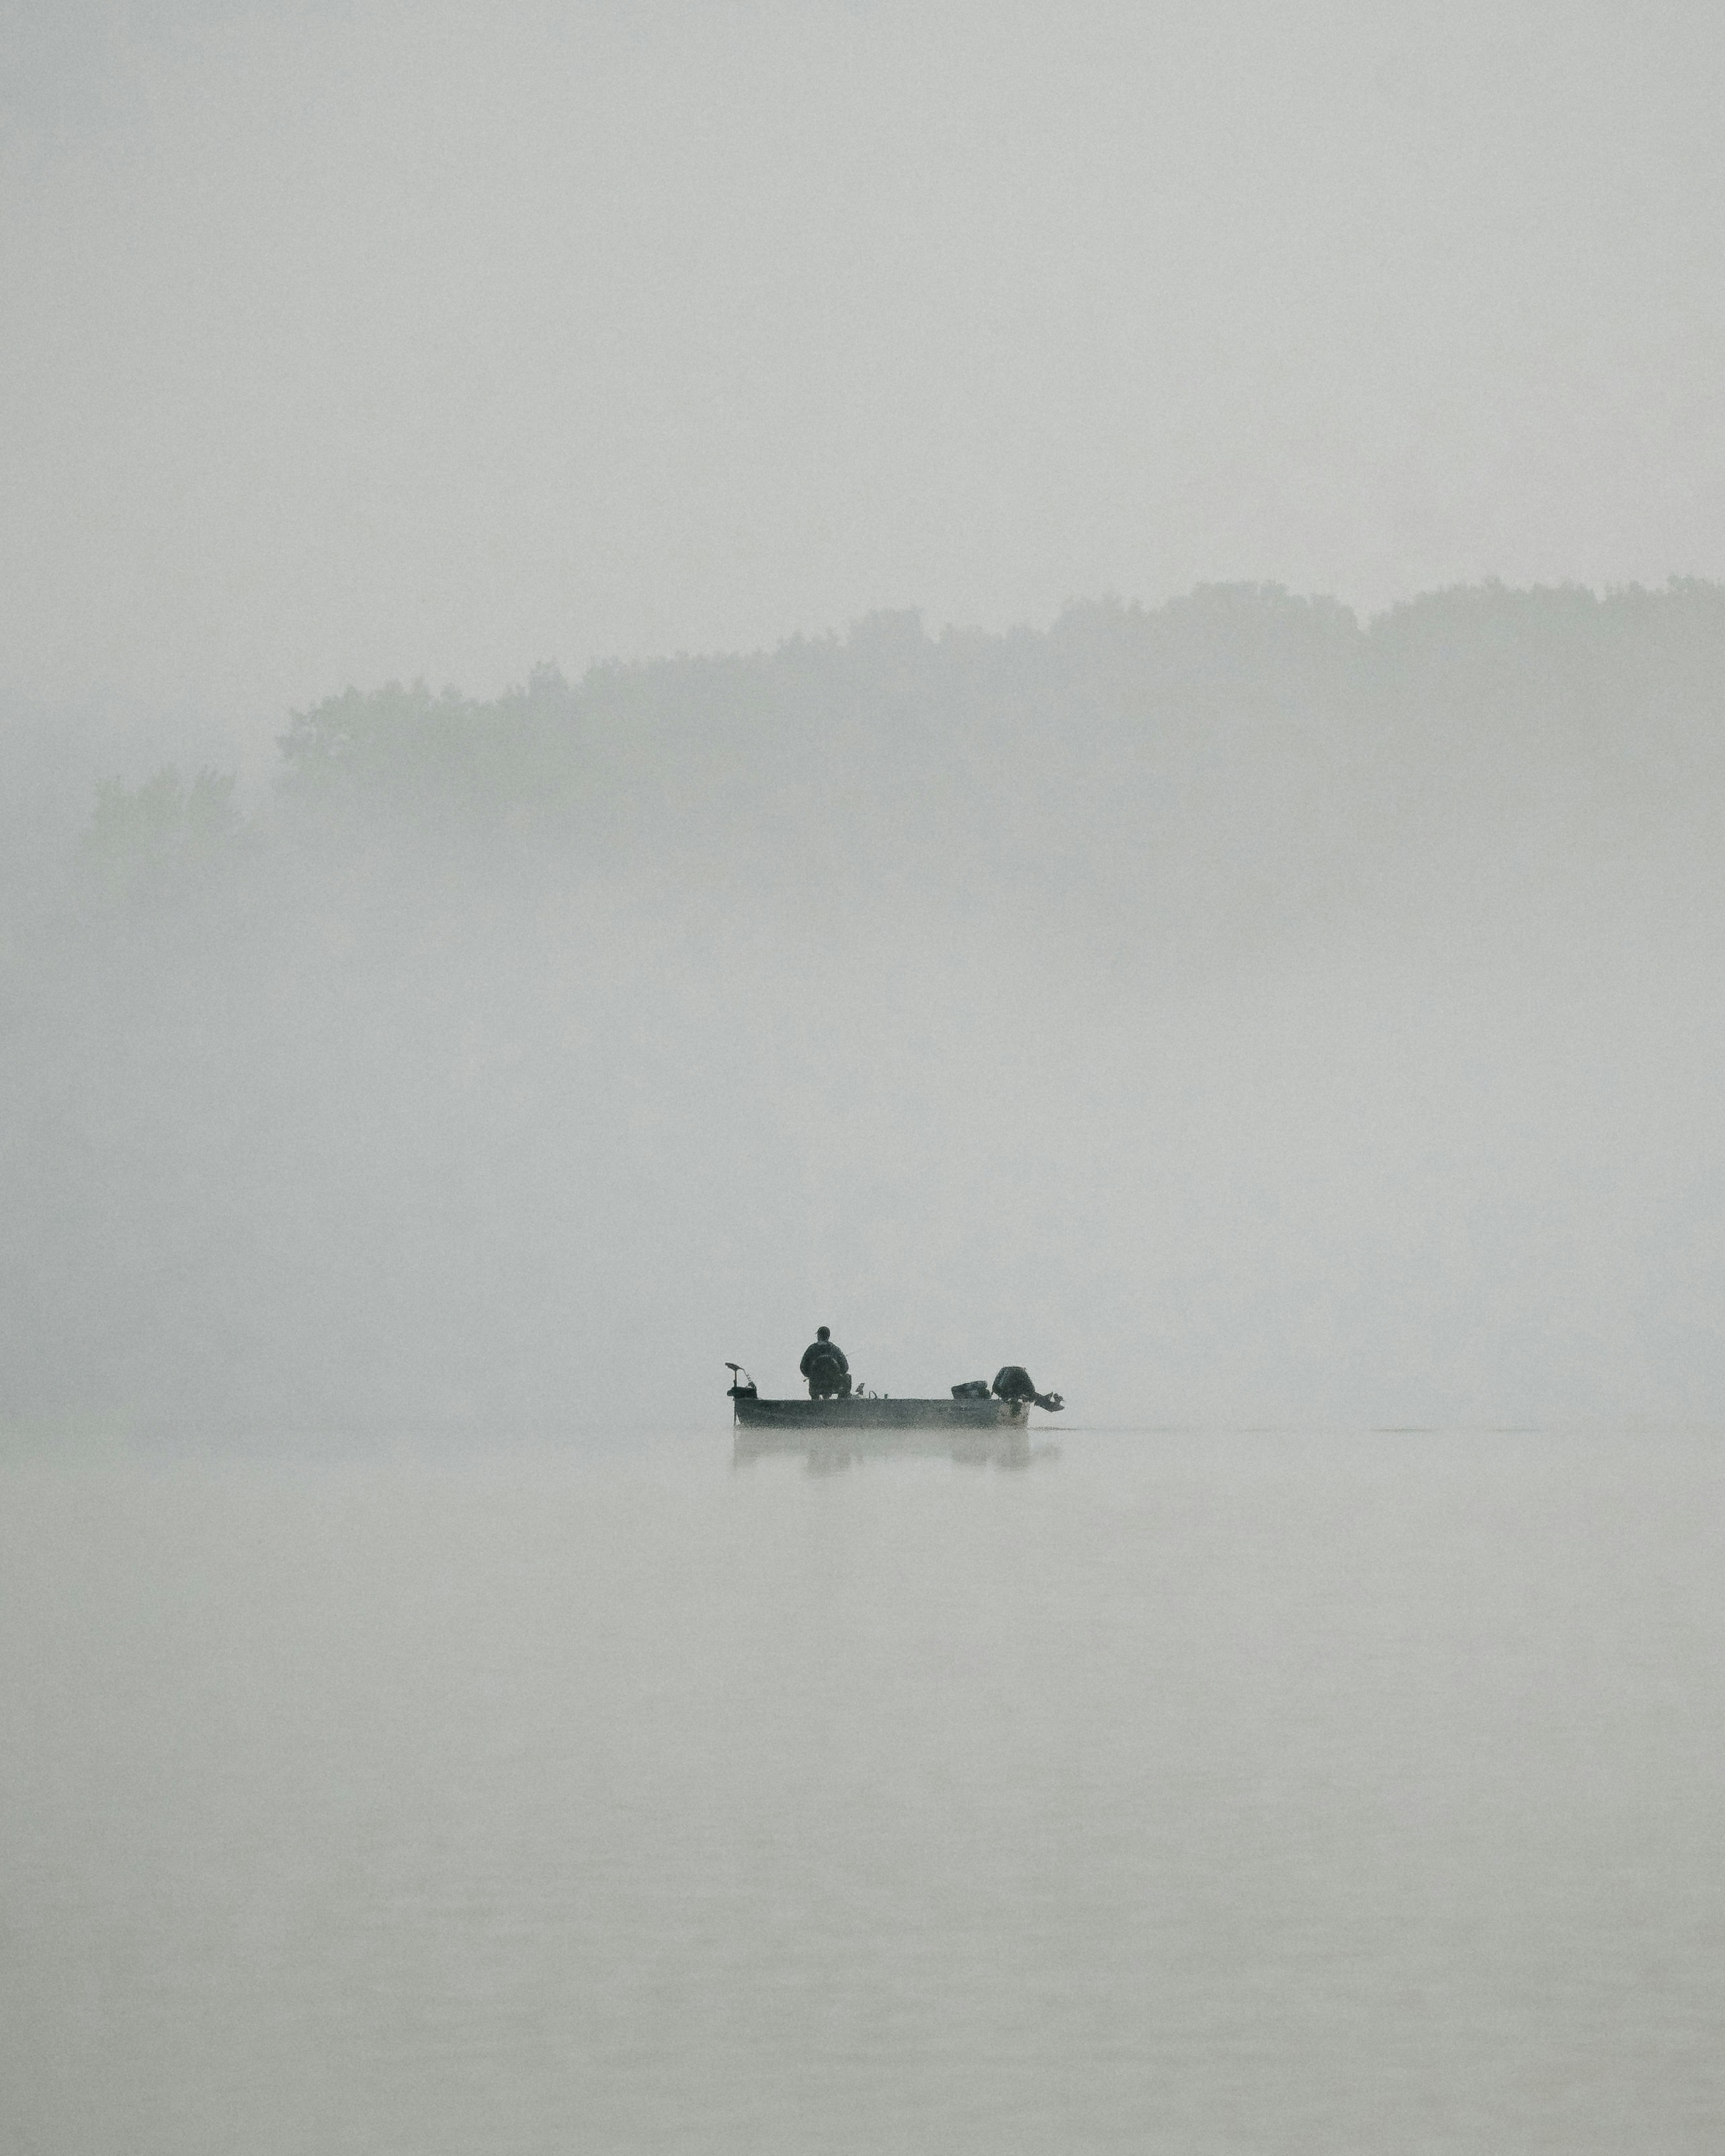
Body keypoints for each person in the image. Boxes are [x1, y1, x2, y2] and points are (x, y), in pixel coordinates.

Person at [800, 1326, 851, 1400]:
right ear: (828, 1336)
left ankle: (815, 1401)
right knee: (847, 1377)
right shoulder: (835, 1349)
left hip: (816, 1386)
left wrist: (813, 1375)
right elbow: (845, 1368)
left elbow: (803, 1368)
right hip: (834, 1385)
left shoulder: (811, 1350)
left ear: (818, 1336)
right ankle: (840, 1402)